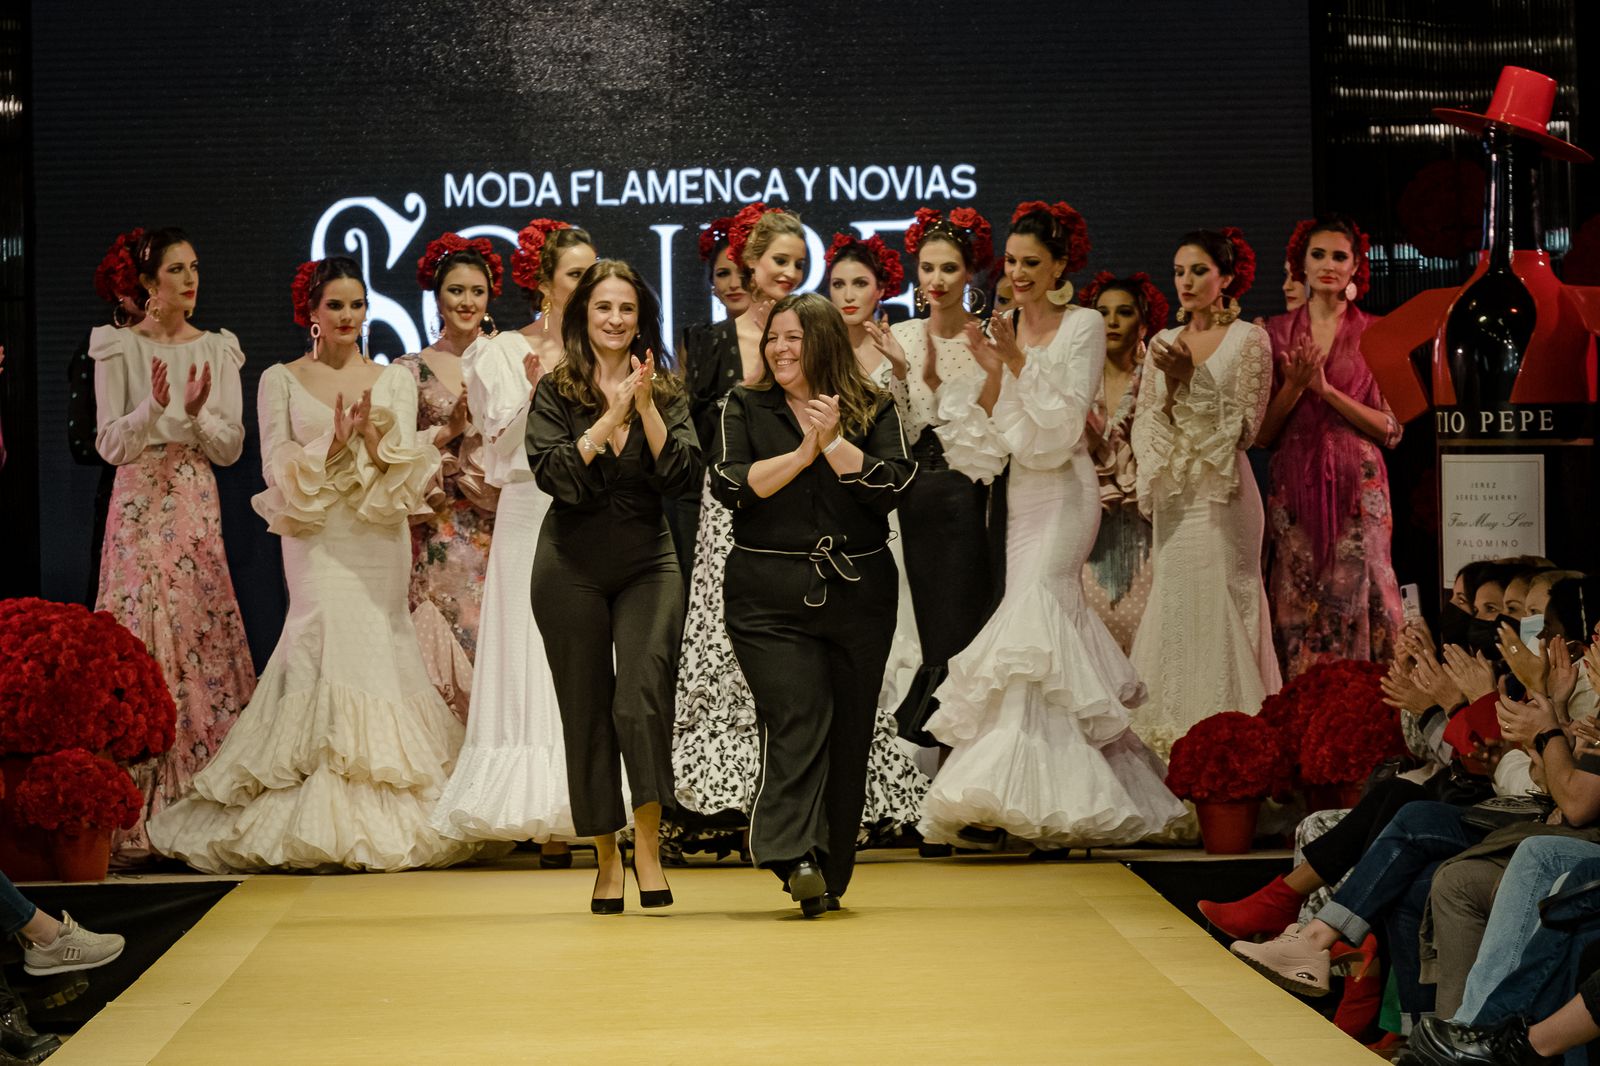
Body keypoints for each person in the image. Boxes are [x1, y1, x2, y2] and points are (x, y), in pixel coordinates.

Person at [147, 257, 478, 872]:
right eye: (336, 306)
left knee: (383, 643)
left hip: (376, 534)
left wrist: (375, 446)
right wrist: (334, 440)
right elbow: (275, 467)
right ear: (312, 313)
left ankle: (385, 811)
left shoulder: (394, 380)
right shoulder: (280, 378)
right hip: (314, 532)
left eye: (357, 305)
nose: (349, 316)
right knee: (319, 638)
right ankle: (307, 807)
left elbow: (406, 471)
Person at [918, 201, 1185, 852]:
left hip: (1066, 493)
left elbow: (1068, 425)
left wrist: (1013, 363)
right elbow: (986, 417)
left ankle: (1039, 800)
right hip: (1017, 497)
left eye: (1032, 262)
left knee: (1033, 622)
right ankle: (1033, 795)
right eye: (1011, 262)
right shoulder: (1001, 324)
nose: (1018, 273)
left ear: (1062, 265)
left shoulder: (1085, 325)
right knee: (1040, 640)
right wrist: (960, 381)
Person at [712, 291, 916, 916]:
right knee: (798, 712)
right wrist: (804, 452)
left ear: (824, 341)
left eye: (793, 337)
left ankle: (827, 871)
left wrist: (833, 443)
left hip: (859, 590)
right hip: (767, 594)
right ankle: (788, 851)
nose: (778, 348)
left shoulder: (871, 404)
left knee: (850, 731)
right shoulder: (744, 404)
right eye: (773, 337)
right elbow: (731, 486)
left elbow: (893, 483)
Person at [527, 259, 701, 913]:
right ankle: (606, 857)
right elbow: (558, 478)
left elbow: (681, 474)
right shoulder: (558, 391)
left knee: (640, 700)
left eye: (627, 309)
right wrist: (607, 418)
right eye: (604, 308)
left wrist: (647, 406)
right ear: (584, 317)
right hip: (568, 567)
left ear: (640, 319)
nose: (616, 319)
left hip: (648, 564)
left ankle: (649, 847)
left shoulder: (668, 389)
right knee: (589, 711)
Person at [430, 219, 596, 863]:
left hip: (592, 514)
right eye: (576, 275)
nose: (588, 286)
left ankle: (586, 801)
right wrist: (534, 393)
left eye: (593, 272)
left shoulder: (605, 349)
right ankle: (535, 812)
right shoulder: (499, 353)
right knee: (529, 652)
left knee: (585, 657)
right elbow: (495, 451)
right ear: (547, 285)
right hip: (531, 509)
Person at [90, 226, 257, 862]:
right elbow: (111, 444)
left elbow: (230, 446)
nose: (190, 280)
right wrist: (149, 408)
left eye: (194, 268)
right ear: (148, 282)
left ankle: (201, 795)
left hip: (191, 490)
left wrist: (191, 413)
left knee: (197, 621)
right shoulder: (116, 346)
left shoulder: (217, 349)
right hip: (136, 496)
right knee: (140, 621)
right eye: (177, 270)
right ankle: (136, 802)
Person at [1128, 227, 1281, 755]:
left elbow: (1245, 428)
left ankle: (1234, 754)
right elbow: (1148, 423)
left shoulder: (1250, 340)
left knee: (1224, 606)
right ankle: (1168, 754)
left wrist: (1194, 378)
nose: (1186, 281)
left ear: (1227, 278)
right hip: (1177, 496)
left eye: (1198, 270)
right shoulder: (1162, 345)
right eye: (1178, 271)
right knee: (1174, 605)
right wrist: (1174, 387)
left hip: (1225, 497)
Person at [1256, 216, 1404, 678]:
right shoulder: (1271, 331)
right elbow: (1262, 435)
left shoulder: (1378, 331)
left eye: (1339, 256)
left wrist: (1325, 391)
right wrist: (1296, 387)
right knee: (1297, 595)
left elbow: (1391, 429)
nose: (1327, 265)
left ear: (1355, 266)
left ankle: (1366, 713)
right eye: (1317, 255)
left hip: (1358, 488)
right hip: (1293, 483)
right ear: (1300, 263)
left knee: (1361, 591)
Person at [888, 206, 1006, 747]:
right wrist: (904, 373)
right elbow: (901, 427)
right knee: (918, 627)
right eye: (928, 268)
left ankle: (960, 763)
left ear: (971, 275)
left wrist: (991, 369)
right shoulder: (903, 336)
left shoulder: (986, 340)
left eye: (949, 269)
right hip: (911, 497)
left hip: (967, 499)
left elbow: (995, 428)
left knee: (959, 627)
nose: (935, 281)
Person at [395, 233, 507, 720]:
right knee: (445, 632)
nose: (467, 301)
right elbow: (396, 453)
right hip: (439, 525)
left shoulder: (506, 359)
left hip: (500, 523)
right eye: (456, 291)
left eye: (476, 291)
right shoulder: (409, 370)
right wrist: (451, 430)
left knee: (501, 637)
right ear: (438, 297)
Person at [1079, 271, 1170, 652]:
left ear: (1144, 323)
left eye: (1124, 312)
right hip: (1087, 522)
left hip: (1144, 524)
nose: (1112, 321)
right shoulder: (1078, 381)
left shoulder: (1158, 379)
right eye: (1102, 312)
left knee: (1148, 632)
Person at [671, 214, 749, 583]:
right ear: (711, 282)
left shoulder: (786, 335)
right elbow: (683, 416)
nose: (734, 283)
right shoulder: (696, 340)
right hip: (704, 486)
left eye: (743, 271)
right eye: (722, 274)